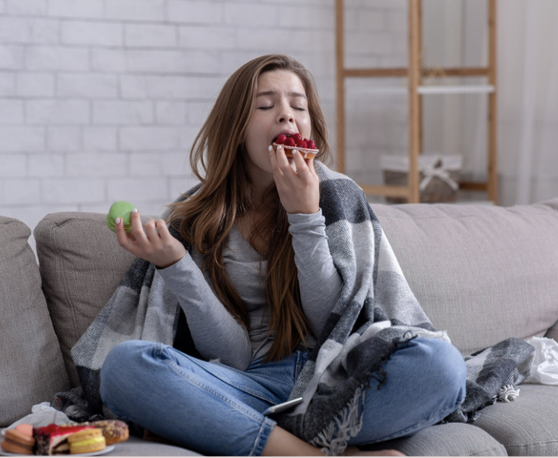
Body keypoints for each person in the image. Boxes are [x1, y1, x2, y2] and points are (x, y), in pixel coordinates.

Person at [96, 54, 466, 456]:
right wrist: (175, 264)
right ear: (236, 127)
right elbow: (234, 357)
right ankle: (303, 450)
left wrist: (305, 218)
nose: (286, 116)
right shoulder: (196, 218)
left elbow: (335, 326)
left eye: (298, 107)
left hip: (336, 380)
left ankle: (243, 433)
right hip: (246, 385)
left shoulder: (338, 196)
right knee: (126, 366)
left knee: (441, 365)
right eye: (266, 105)